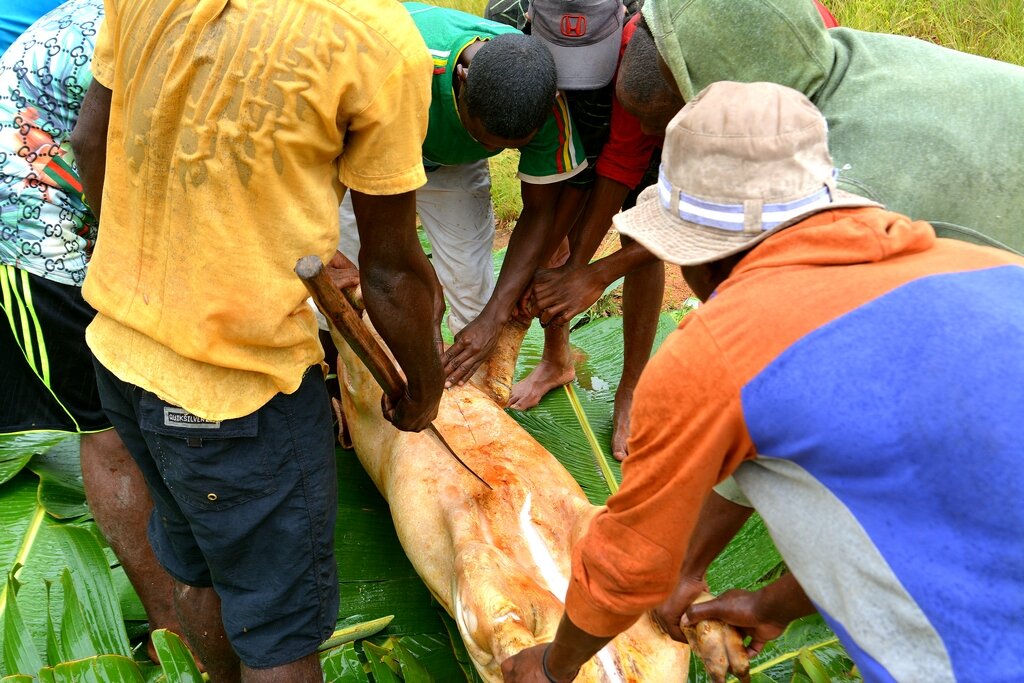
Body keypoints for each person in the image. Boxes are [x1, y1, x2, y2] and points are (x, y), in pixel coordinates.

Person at [501, 81, 1024, 682]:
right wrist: (769, 605)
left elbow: (630, 563)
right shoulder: (984, 263)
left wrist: (552, 665)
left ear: (699, 253)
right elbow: (924, 509)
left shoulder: (722, 349)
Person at [70, 0, 445, 680]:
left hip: (122, 354)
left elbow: (90, 138)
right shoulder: (374, 38)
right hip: (236, 394)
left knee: (198, 566)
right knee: (280, 633)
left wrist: (139, 274)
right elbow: (392, 272)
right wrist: (422, 385)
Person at [0, 0, 189, 665]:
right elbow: (95, 141)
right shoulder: (163, 27)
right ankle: (173, 629)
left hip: (90, 191)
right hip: (34, 216)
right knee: (105, 431)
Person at [339, 2, 586, 391]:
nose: (488, 147)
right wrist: (420, 281)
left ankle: (472, 403)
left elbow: (540, 214)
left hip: (451, 166)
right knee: (348, 276)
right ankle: (343, 378)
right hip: (365, 150)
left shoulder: (544, 102)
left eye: (504, 148)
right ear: (462, 78)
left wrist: (493, 317)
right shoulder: (396, 59)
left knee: (472, 288)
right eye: (481, 136)